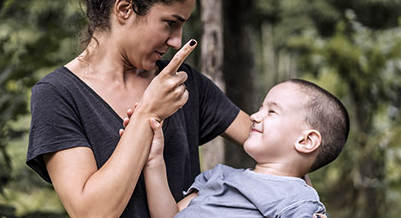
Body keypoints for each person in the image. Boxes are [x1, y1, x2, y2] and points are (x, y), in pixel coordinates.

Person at [25, 0, 251, 217]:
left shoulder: (181, 83)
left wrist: (300, 202)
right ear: (124, 8)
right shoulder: (58, 95)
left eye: (181, 26)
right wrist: (149, 112)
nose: (177, 41)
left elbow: (280, 146)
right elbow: (91, 212)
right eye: (170, 23)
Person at [139, 79, 349, 217]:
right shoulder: (217, 177)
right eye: (260, 108)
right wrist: (154, 160)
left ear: (306, 141)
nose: (255, 116)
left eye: (272, 112)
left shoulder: (296, 200)